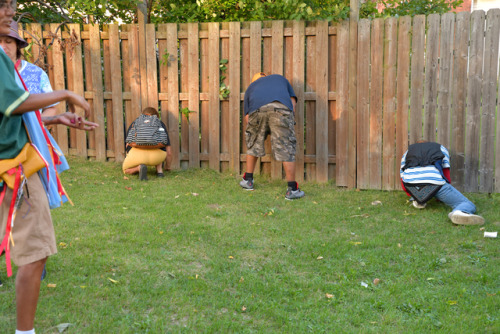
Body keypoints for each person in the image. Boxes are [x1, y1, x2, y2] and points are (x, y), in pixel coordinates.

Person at [0, 1, 97, 333]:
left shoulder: (20, 70)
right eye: (5, 8)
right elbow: (18, 106)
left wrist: (56, 117)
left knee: (28, 250)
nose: (11, 14)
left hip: (14, 165)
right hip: (13, 171)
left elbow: (18, 114)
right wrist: (68, 93)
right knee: (34, 252)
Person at [239, 72, 304, 200]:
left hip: (256, 110)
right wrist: (288, 121)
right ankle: (292, 190)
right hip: (280, 108)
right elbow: (292, 102)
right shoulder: (279, 79)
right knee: (286, 146)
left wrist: (257, 133)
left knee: (254, 142)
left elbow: (248, 118)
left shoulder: (251, 88)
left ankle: (248, 180)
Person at [400, 140, 484, 225]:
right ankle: (459, 212)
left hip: (410, 183)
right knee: (466, 203)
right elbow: (445, 172)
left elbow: (402, 175)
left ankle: (418, 199)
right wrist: (442, 194)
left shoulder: (408, 152)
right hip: (434, 181)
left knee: (419, 187)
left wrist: (409, 193)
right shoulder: (440, 148)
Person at [123, 107, 172, 181]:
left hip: (137, 156)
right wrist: (168, 167)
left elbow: (128, 145)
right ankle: (159, 170)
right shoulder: (160, 124)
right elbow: (169, 152)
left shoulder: (135, 123)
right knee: (157, 145)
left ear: (143, 115)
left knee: (126, 170)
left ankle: (138, 168)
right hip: (157, 157)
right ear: (156, 116)